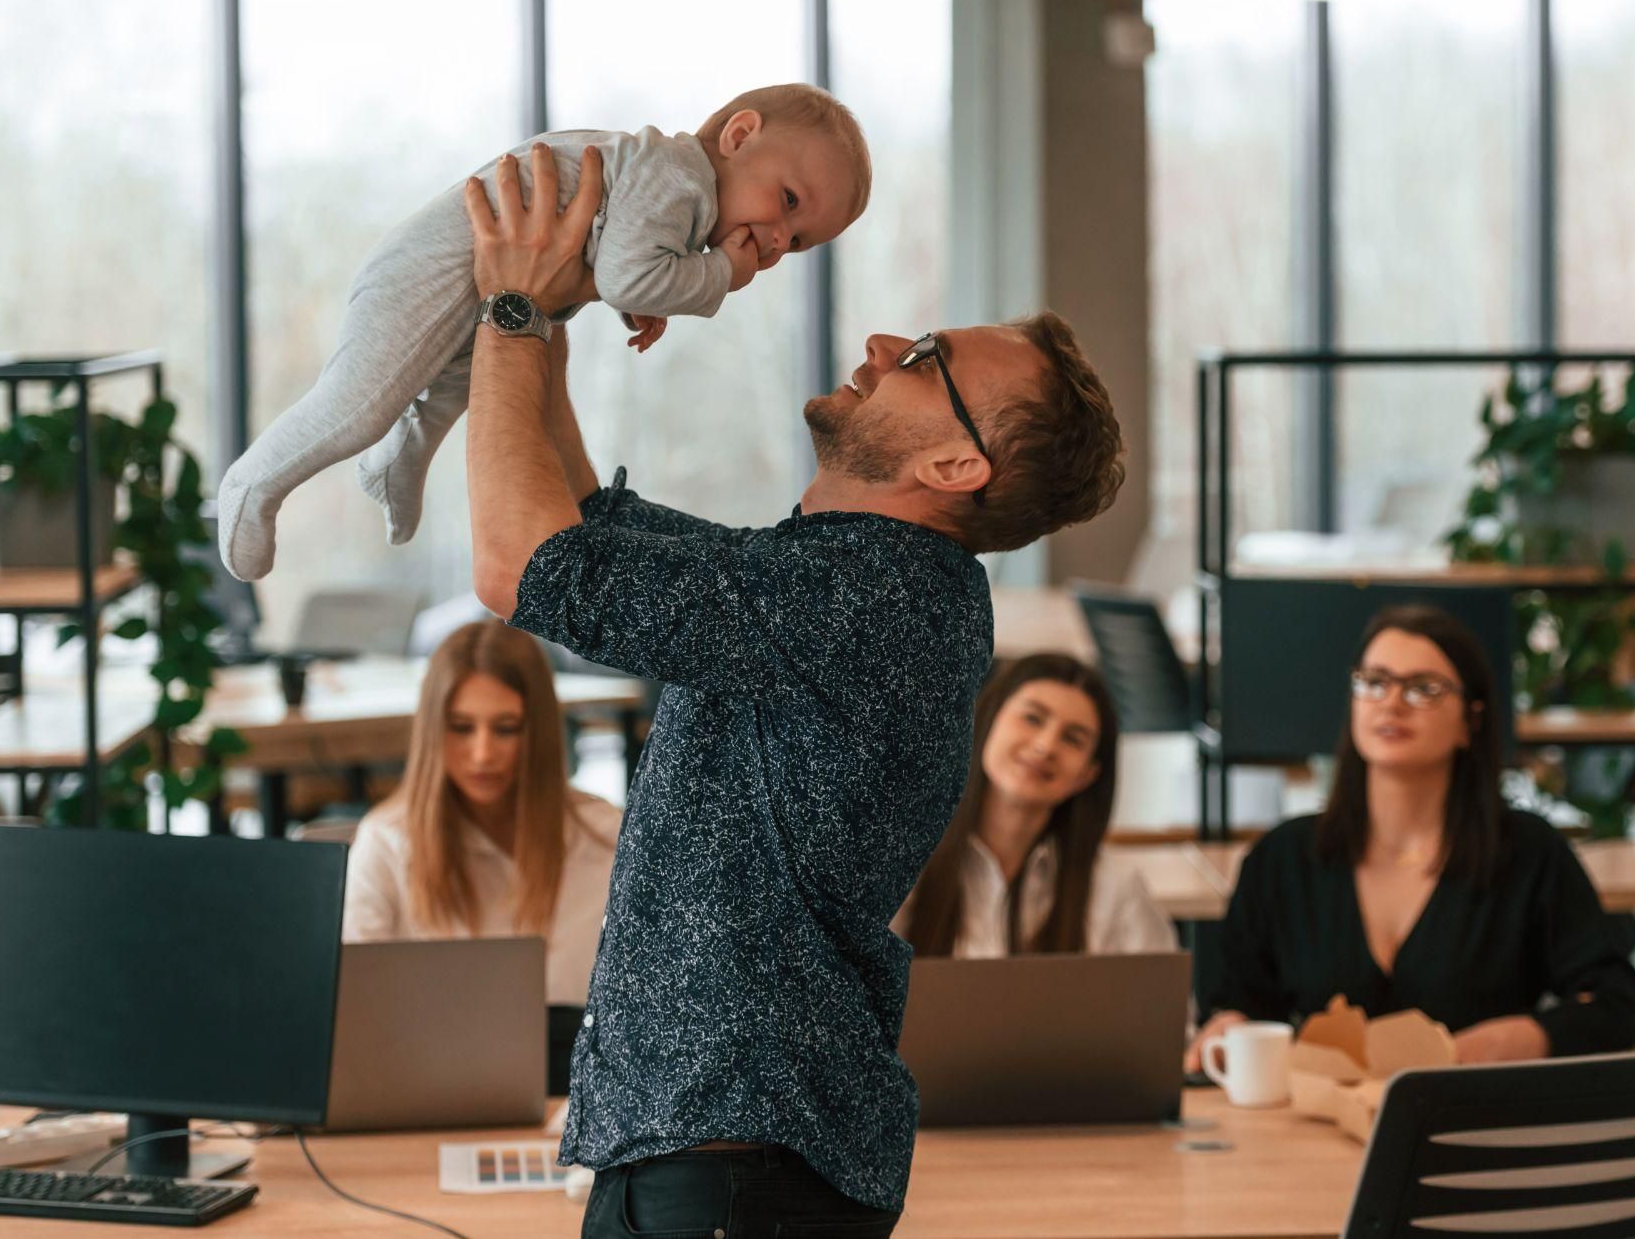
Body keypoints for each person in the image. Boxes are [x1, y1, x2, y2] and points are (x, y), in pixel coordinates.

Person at [460, 141, 1125, 1237]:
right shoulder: (832, 582)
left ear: (956, 469)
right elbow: (581, 531)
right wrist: (557, 312)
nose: (877, 344)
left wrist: (515, 311)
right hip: (715, 1153)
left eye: (921, 356)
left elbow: (515, 564)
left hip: (735, 1165)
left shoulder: (876, 599)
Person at [217, 82, 873, 581]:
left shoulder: (670, 185)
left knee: (448, 389)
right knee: (360, 405)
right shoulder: (679, 174)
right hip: (429, 268)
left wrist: (642, 290)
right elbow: (624, 274)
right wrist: (718, 273)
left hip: (473, 284)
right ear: (739, 135)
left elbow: (604, 255)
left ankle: (395, 463)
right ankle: (252, 484)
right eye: (787, 201)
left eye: (801, 241)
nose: (780, 238)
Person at [1186, 604, 1635, 1072]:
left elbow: (1615, 1006)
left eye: (1424, 688)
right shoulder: (1282, 858)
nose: (1392, 702)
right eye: (1375, 682)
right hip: (1312, 1124)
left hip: (1474, 1120)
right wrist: (1226, 1024)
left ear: (1471, 720)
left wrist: (1525, 1037)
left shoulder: (1528, 853)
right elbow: (1237, 1001)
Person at [341, 619, 620, 1009]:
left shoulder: (606, 837)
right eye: (461, 728)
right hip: (432, 1069)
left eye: (506, 728)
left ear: (537, 731)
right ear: (433, 731)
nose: (483, 754)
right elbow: (355, 1008)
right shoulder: (386, 844)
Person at [900, 653, 1176, 958]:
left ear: (1088, 774)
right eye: (1032, 718)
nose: (1045, 746)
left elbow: (1161, 1003)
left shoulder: (1113, 889)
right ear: (987, 718)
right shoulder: (903, 866)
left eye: (1072, 739)